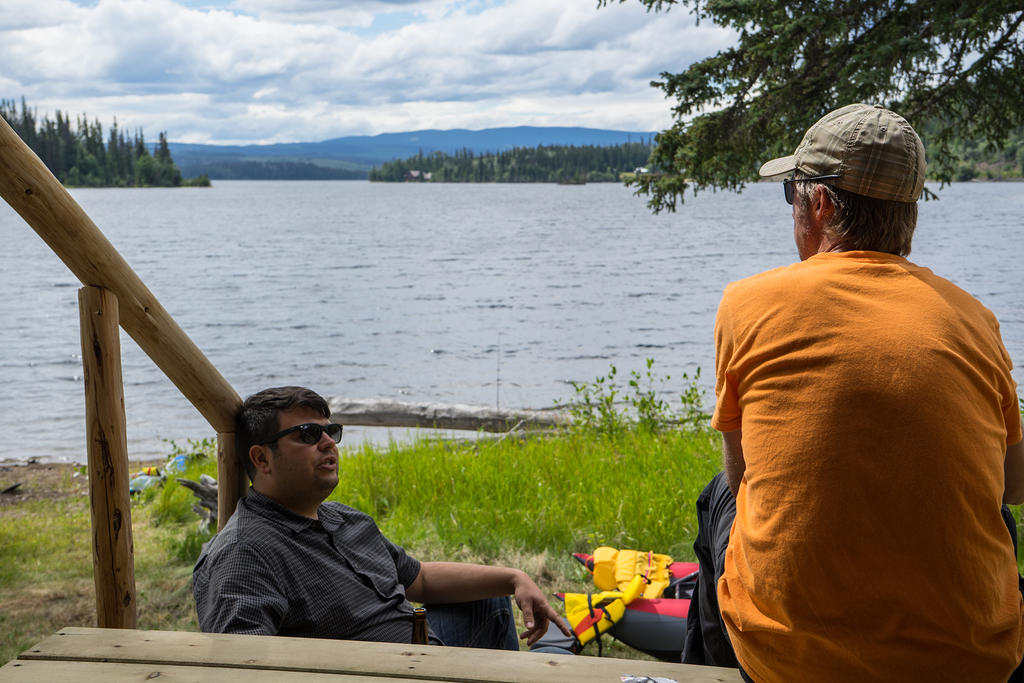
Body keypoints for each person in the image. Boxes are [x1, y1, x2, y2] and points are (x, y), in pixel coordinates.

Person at [682, 103, 1024, 682]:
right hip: (973, 664)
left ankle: (711, 669)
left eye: (791, 193)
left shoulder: (748, 304)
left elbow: (747, 482)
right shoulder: (974, 319)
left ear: (817, 203)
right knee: (995, 512)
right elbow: (1014, 484)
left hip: (792, 666)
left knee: (719, 495)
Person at [193, 385, 571, 650]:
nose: (328, 444)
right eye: (308, 434)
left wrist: (513, 577)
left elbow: (418, 578)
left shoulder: (344, 519)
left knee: (489, 601)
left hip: (419, 647)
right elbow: (242, 666)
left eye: (331, 431)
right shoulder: (245, 553)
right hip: (388, 672)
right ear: (261, 459)